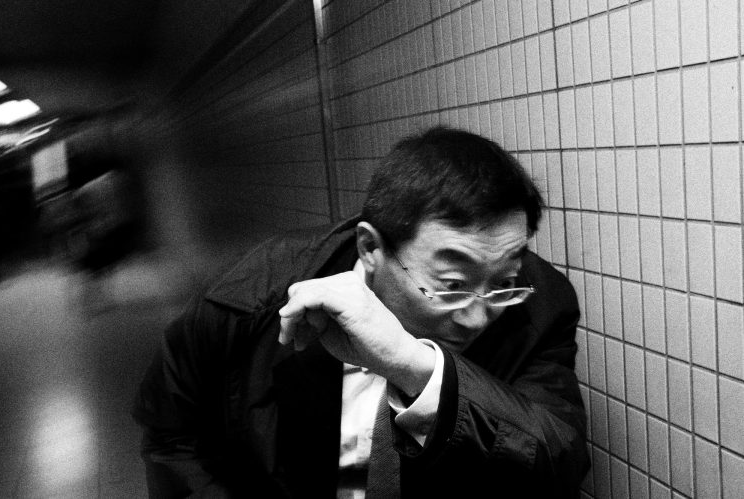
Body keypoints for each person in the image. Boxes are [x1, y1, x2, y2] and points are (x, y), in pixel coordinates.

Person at [132, 127, 590, 498]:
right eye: (452, 286)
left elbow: (557, 464)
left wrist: (416, 367)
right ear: (371, 247)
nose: (475, 317)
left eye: (504, 282)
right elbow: (172, 432)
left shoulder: (540, 306)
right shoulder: (252, 296)